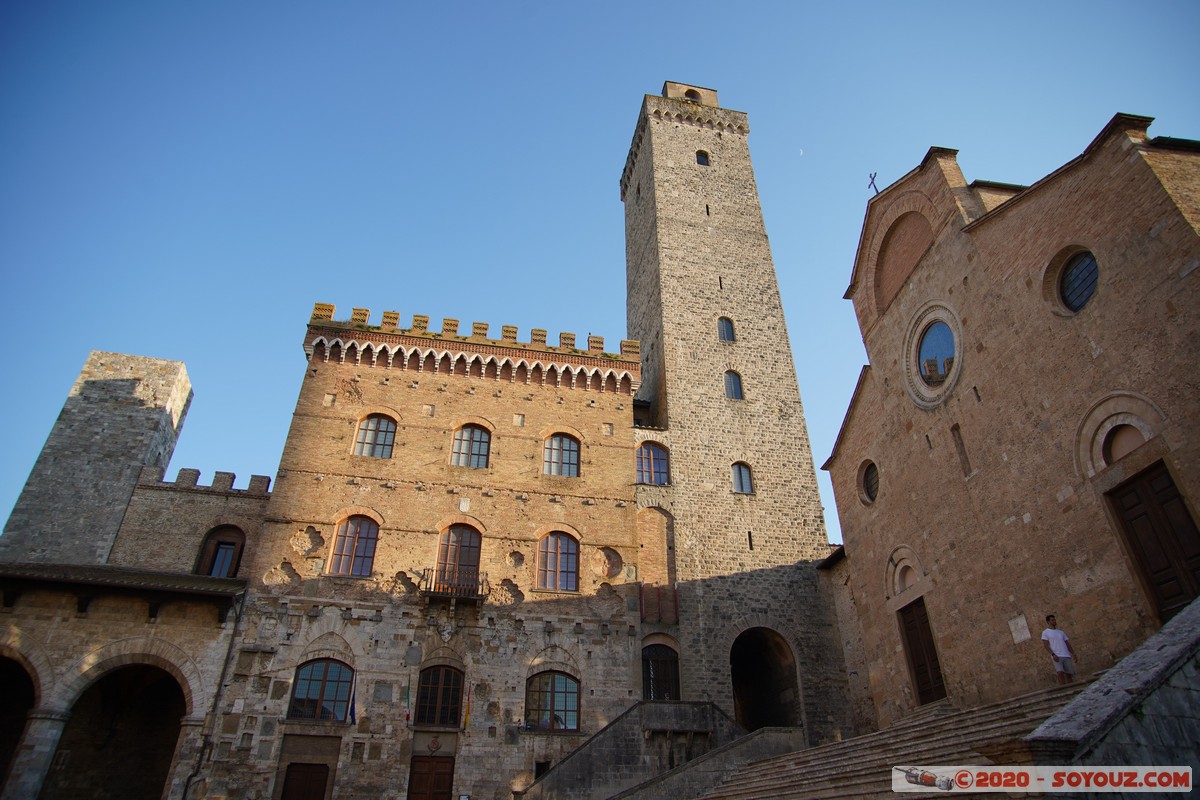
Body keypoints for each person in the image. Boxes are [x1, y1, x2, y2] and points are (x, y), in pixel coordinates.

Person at [1041, 614, 1077, 684]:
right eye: (1052, 620)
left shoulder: (1061, 632)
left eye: (1054, 620)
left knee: (1069, 674)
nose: (1054, 621)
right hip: (1056, 655)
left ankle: (1071, 688)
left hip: (1066, 655)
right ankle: (1064, 690)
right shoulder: (1045, 632)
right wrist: (1053, 654)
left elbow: (1067, 643)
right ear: (1048, 622)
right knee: (1060, 673)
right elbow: (1046, 645)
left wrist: (1073, 653)